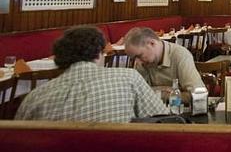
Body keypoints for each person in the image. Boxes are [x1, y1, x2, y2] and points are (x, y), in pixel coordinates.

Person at [15, 25, 168, 122]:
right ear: (99, 54)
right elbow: (163, 119)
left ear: (60, 58)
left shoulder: (33, 99)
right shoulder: (129, 78)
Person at [124, 27, 204, 92]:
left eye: (139, 55)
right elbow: (137, 92)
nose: (138, 62)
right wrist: (163, 89)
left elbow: (197, 93)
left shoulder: (180, 55)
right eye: (134, 58)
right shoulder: (142, 62)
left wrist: (164, 95)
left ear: (152, 43)